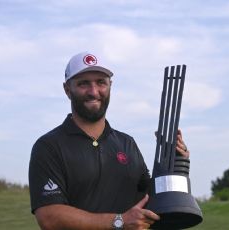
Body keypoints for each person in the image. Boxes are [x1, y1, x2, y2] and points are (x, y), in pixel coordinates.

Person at [28, 51, 190, 230]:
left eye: (101, 82)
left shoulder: (127, 143)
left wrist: (175, 165)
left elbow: (152, 200)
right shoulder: (49, 146)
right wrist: (119, 221)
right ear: (67, 90)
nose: (93, 91)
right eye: (83, 84)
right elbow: (50, 218)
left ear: (110, 86)